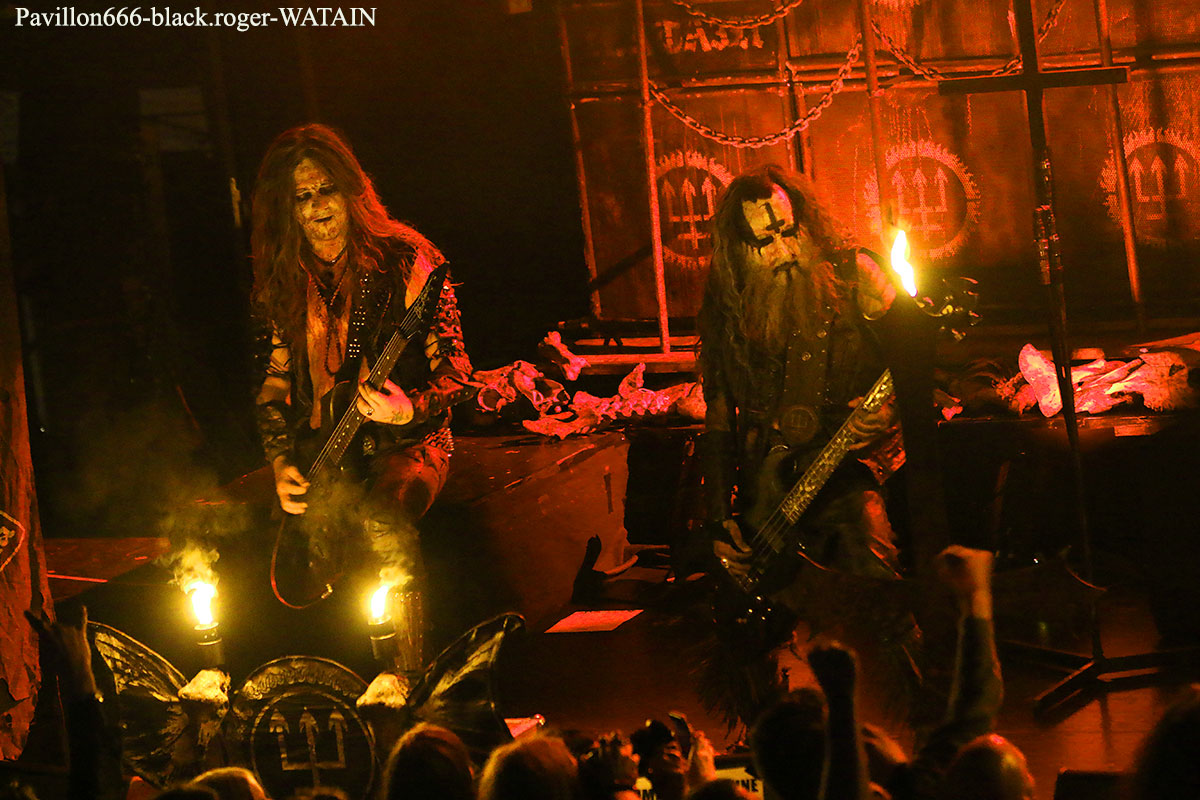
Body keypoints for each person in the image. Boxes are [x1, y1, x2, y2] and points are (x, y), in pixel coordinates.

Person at [250, 124, 474, 666]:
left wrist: (408, 408)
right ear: (286, 208)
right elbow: (274, 383)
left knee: (381, 522)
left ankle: (410, 669)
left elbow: (459, 374)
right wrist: (280, 462)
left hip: (410, 443)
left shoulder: (407, 258)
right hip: (326, 450)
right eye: (302, 196)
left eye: (326, 189)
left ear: (351, 189)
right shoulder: (284, 275)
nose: (316, 207)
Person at [697, 163, 901, 589]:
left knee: (873, 588)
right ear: (740, 250)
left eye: (789, 233)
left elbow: (916, 362)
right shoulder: (727, 305)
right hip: (770, 498)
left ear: (805, 224)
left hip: (850, 477)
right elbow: (718, 419)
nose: (784, 250)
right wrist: (718, 519)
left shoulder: (856, 276)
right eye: (765, 241)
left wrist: (888, 411)